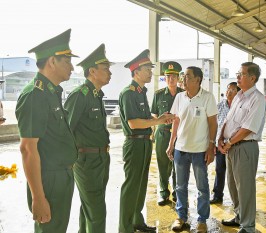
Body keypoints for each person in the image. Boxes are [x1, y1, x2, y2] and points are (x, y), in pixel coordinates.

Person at [15, 29, 78, 233]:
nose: (72, 66)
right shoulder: (35, 95)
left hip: (62, 176)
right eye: (67, 61)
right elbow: (27, 149)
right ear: (52, 61)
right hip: (48, 181)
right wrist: (38, 198)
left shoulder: (50, 92)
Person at [118, 49, 175, 233]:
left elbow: (145, 117)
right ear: (136, 71)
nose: (151, 73)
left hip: (144, 142)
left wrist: (160, 116)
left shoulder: (141, 92)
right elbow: (134, 123)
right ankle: (125, 227)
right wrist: (158, 121)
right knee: (131, 186)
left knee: (141, 184)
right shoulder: (129, 93)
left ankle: (136, 220)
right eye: (148, 69)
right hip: (134, 143)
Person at [64, 44, 114, 233]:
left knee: (90, 208)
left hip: (101, 159)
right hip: (86, 161)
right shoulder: (80, 96)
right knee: (97, 212)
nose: (110, 73)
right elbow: (66, 131)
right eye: (106, 69)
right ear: (92, 71)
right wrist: (70, 161)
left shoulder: (96, 95)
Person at [166, 66, 218, 233]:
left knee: (202, 187)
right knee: (180, 186)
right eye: (183, 77)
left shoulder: (208, 98)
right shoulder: (180, 97)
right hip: (181, 149)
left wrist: (211, 146)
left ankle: (202, 220)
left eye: (187, 77)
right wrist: (171, 143)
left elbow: (212, 123)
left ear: (198, 80)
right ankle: (181, 217)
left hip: (199, 150)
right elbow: (176, 121)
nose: (183, 80)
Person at [219, 62, 266, 233]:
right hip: (231, 147)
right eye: (237, 73)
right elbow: (227, 120)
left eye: (242, 74)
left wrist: (229, 142)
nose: (237, 76)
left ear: (252, 78)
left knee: (245, 187)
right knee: (232, 185)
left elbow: (248, 128)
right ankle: (239, 216)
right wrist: (220, 139)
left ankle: (248, 226)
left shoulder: (258, 99)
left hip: (245, 147)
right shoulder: (239, 96)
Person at [151, 61, 184, 206]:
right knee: (162, 165)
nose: (171, 79)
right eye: (168, 76)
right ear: (165, 78)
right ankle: (164, 193)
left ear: (178, 78)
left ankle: (178, 193)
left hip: (179, 135)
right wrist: (160, 120)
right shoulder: (158, 95)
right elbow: (153, 115)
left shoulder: (184, 95)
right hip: (162, 134)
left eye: (174, 76)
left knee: (178, 164)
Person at [210, 82, 240, 204]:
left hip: (234, 143)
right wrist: (214, 142)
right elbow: (215, 124)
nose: (229, 92)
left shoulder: (239, 106)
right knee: (219, 169)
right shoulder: (220, 105)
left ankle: (236, 199)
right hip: (220, 144)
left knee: (234, 173)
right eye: (228, 89)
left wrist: (230, 142)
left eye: (233, 90)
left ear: (238, 92)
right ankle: (217, 195)